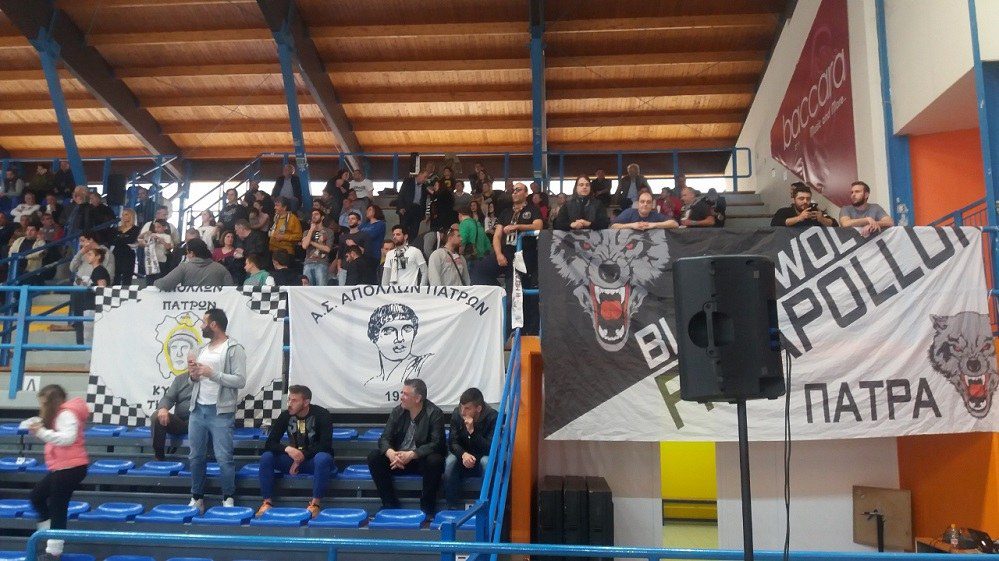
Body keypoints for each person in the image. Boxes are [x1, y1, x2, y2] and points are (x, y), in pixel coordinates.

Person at [187, 308, 247, 513]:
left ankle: (228, 497)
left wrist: (212, 373)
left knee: (224, 458)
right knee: (195, 456)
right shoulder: (202, 349)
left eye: (204, 322)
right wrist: (193, 375)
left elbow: (240, 380)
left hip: (221, 412)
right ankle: (197, 497)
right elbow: (194, 380)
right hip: (197, 409)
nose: (201, 326)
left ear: (214, 325)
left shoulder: (234, 348)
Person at [26, 385, 89, 561]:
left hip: (71, 467)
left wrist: (42, 432)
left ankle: (54, 552)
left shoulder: (66, 414)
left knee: (58, 507)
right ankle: (48, 536)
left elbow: (68, 438)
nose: (42, 407)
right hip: (62, 467)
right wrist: (41, 429)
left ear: (52, 401)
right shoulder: (59, 415)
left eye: (43, 403)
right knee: (37, 496)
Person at [367, 378, 446, 516]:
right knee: (374, 457)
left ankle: (427, 509)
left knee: (435, 460)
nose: (401, 397)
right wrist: (391, 453)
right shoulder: (397, 411)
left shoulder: (434, 413)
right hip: (398, 460)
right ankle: (390, 505)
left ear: (418, 398)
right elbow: (384, 438)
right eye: (402, 393)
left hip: (420, 460)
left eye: (405, 394)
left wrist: (413, 454)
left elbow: (437, 443)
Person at [257, 385, 333, 518]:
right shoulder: (285, 415)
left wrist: (301, 456)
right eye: (289, 400)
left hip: (313, 461)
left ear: (306, 402)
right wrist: (288, 449)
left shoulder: (322, 414)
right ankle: (267, 502)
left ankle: (315, 505)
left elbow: (325, 445)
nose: (289, 404)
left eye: (294, 400)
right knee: (266, 457)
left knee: (323, 458)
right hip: (292, 460)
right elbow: (270, 443)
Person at [493, 182, 543, 333]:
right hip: (510, 258)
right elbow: (497, 236)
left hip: (529, 259)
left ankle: (532, 332)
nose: (514, 192)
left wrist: (518, 226)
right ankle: (513, 332)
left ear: (526, 193)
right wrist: (499, 254)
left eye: (518, 190)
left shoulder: (532, 210)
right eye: (513, 190)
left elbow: (538, 226)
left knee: (530, 297)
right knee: (512, 296)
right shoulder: (505, 212)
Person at [445, 388, 497, 509]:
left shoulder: (492, 417)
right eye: (461, 407)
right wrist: (463, 454)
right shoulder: (457, 414)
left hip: (482, 456)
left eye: (467, 408)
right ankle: (452, 507)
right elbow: (453, 443)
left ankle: (487, 507)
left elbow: (490, 447)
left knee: (487, 462)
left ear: (478, 408)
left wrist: (472, 432)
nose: (463, 412)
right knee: (450, 462)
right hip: (463, 456)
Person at [69, 233, 114, 344]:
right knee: (79, 318)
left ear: (91, 240)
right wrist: (81, 252)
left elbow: (107, 276)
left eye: (83, 240)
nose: (81, 244)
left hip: (93, 293)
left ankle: (90, 347)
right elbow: (72, 268)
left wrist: (92, 284)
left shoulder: (105, 253)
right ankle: (80, 343)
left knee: (90, 322)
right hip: (79, 288)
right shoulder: (83, 253)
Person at [154, 239, 234, 290]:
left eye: (187, 253)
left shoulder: (184, 268)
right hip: (213, 309)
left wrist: (154, 282)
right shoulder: (220, 268)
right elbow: (231, 289)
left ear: (192, 253)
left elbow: (164, 284)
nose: (186, 255)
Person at [152, 372, 192, 461]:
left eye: (196, 365)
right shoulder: (180, 379)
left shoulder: (209, 378)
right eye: (191, 364)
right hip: (182, 422)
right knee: (157, 416)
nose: (193, 366)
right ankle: (159, 458)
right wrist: (163, 408)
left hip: (202, 421)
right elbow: (169, 398)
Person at [770, 183, 835, 228]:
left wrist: (822, 219)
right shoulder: (784, 211)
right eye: (801, 198)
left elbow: (835, 224)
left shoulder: (815, 211)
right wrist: (799, 218)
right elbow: (774, 224)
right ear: (794, 199)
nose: (805, 201)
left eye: (808, 199)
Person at [333, 211, 369, 286]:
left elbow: (366, 252)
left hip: (358, 268)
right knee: (342, 291)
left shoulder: (364, 235)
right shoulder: (343, 237)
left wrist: (354, 244)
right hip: (344, 268)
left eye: (353, 219)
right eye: (349, 219)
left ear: (359, 222)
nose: (350, 220)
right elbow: (340, 254)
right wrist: (339, 267)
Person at [301, 208, 334, 287]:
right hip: (308, 263)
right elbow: (304, 246)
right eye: (312, 215)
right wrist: (311, 230)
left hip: (322, 263)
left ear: (322, 217)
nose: (313, 216)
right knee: (307, 289)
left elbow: (327, 249)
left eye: (316, 214)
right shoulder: (307, 232)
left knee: (321, 288)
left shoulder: (329, 231)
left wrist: (312, 242)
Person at [612, 191, 679, 230]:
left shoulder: (655, 215)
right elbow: (613, 226)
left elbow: (675, 224)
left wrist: (653, 225)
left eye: (648, 202)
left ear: (652, 205)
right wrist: (632, 225)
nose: (645, 204)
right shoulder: (629, 212)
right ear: (638, 204)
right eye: (642, 201)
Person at [396, 169, 429, 243]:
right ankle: (402, 245)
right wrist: (401, 207)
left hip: (417, 210)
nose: (426, 179)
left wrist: (423, 214)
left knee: (414, 231)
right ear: (420, 174)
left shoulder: (424, 186)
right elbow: (401, 195)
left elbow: (424, 201)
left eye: (427, 177)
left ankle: (412, 245)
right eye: (425, 177)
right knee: (403, 229)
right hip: (406, 209)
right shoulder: (408, 181)